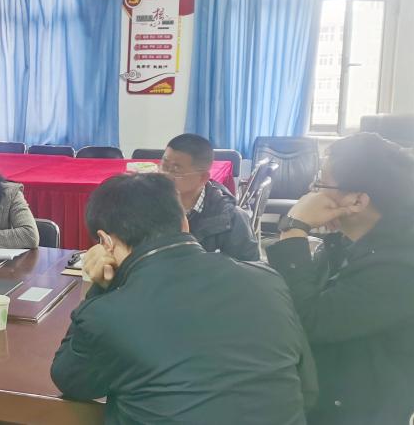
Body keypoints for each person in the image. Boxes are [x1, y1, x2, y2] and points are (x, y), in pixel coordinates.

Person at [51, 173, 316, 425]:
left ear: (105, 242)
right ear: (184, 223)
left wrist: (99, 286)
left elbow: (71, 381)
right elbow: (307, 389)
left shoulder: (108, 314)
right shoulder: (267, 280)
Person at [267, 133, 414, 425]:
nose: (310, 193)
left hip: (365, 409)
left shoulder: (400, 266)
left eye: (320, 184)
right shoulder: (352, 242)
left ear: (358, 200)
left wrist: (294, 229)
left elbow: (309, 321)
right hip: (333, 387)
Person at [159, 133, 258, 261]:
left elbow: (246, 268)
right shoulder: (149, 205)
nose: (165, 175)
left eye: (176, 170)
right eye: (164, 166)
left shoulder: (231, 219)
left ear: (202, 178)